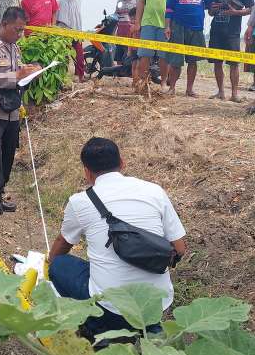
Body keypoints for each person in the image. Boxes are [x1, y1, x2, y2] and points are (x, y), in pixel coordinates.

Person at [47, 137, 187, 340]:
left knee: (60, 265)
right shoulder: (155, 191)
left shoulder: (80, 202)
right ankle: (151, 330)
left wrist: (49, 263)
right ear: (122, 163)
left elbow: (63, 243)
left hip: (111, 307)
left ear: (86, 171)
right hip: (157, 303)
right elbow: (180, 248)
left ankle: (97, 326)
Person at [0, 6, 41, 216]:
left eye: (22, 30)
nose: (20, 34)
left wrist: (30, 72)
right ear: (4, 24)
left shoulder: (15, 49)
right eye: (16, 29)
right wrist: (18, 75)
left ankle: (0, 194)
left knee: (7, 156)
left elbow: (18, 73)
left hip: (11, 111)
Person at [164, 0, 215, 96]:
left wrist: (216, 10)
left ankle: (189, 89)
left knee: (193, 61)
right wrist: (167, 26)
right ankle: (172, 88)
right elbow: (169, 7)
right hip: (177, 26)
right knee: (175, 61)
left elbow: (210, 6)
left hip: (196, 27)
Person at [208, 0, 254, 102]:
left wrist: (236, 12)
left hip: (232, 33)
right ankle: (221, 92)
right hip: (216, 31)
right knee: (217, 62)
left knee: (234, 64)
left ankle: (234, 94)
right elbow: (210, 12)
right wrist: (214, 9)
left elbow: (252, 9)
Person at [133, 0, 178, 89]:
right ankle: (144, 82)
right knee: (145, 55)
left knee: (164, 56)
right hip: (148, 23)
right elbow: (140, 1)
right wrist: (137, 22)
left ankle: (164, 82)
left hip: (167, 24)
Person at [55, 0, 85, 82]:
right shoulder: (61, 1)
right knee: (64, 58)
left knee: (79, 57)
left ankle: (80, 77)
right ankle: (61, 78)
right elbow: (58, 19)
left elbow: (78, 20)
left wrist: (79, 33)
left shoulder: (78, 1)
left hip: (76, 33)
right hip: (64, 33)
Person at [114, 0, 137, 65]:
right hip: (120, 32)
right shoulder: (120, 1)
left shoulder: (137, 0)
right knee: (119, 56)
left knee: (131, 55)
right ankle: (119, 75)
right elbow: (116, 15)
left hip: (132, 32)